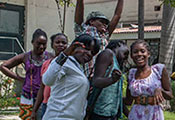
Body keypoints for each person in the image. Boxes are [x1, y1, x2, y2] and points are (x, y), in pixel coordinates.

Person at [42, 34, 100, 120]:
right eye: (86, 49)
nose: (89, 54)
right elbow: (47, 80)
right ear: (75, 46)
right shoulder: (64, 62)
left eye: (92, 52)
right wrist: (64, 54)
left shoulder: (78, 67)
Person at [0, 29, 52, 120]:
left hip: (44, 96)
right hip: (28, 96)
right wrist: (19, 78)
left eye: (44, 44)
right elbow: (3, 66)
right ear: (32, 42)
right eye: (38, 43)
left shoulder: (50, 57)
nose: (41, 47)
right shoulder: (26, 56)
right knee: (27, 118)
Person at [124, 40, 173, 120]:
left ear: (148, 54)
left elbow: (170, 95)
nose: (139, 54)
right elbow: (129, 101)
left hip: (154, 114)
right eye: (135, 52)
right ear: (131, 56)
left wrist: (160, 90)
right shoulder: (131, 74)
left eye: (142, 51)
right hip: (136, 115)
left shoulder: (158, 70)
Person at [75, 0, 124, 76]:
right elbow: (79, 12)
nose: (105, 25)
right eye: (102, 21)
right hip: (83, 74)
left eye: (106, 23)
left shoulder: (105, 35)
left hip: (99, 75)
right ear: (91, 21)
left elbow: (117, 16)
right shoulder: (82, 31)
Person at [31, 33, 68, 120]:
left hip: (61, 105)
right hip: (46, 104)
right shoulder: (46, 64)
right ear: (52, 45)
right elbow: (42, 87)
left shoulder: (70, 64)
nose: (61, 45)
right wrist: (34, 110)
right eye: (57, 42)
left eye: (64, 42)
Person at [89, 40, 129, 120]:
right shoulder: (107, 54)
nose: (126, 57)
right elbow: (96, 81)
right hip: (100, 114)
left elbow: (117, 96)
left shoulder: (116, 63)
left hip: (111, 114)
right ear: (119, 44)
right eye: (126, 53)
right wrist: (112, 79)